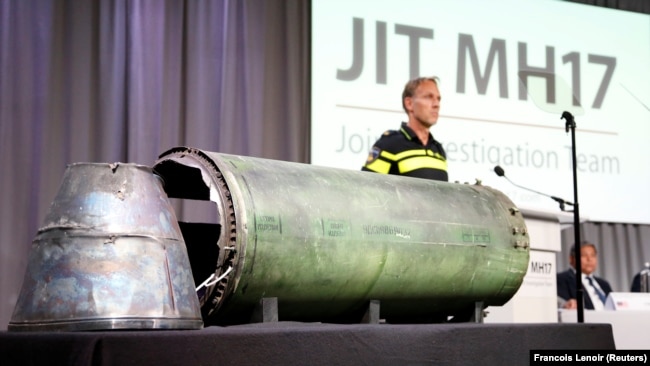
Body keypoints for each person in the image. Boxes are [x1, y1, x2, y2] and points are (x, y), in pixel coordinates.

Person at [362, 76, 448, 182]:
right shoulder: (390, 144)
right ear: (409, 103)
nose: (436, 104)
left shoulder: (438, 150)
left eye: (438, 99)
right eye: (428, 97)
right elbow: (365, 188)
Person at [557, 241, 613, 310]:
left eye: (593, 255)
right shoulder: (561, 280)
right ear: (571, 259)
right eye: (583, 255)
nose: (589, 259)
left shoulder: (604, 284)